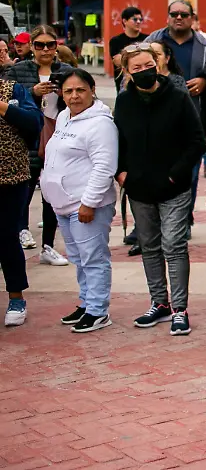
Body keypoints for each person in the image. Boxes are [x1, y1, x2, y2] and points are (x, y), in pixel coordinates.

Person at [115, 44, 206, 336]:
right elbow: (117, 140)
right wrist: (122, 173)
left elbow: (196, 141)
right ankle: (159, 303)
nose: (143, 72)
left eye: (147, 65)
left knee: (174, 245)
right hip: (139, 188)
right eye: (136, 68)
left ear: (157, 63)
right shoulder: (125, 102)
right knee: (150, 247)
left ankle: (180, 308)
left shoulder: (178, 98)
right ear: (127, 72)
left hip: (173, 188)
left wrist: (174, 174)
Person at [42, 69, 119, 332]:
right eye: (68, 91)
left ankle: (98, 311)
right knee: (78, 257)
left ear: (92, 89)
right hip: (64, 204)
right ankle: (87, 302)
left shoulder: (101, 124)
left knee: (94, 258)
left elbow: (104, 167)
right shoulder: (64, 116)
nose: (74, 96)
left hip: (87, 206)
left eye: (80, 90)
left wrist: (89, 203)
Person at [146, 0, 206, 212]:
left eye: (184, 14)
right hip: (155, 118)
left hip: (192, 118)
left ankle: (183, 217)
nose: (179, 18)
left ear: (192, 18)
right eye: (174, 14)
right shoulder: (152, 43)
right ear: (167, 17)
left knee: (188, 172)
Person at [6, 25, 71, 264]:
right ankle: (22, 230)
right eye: (40, 45)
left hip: (58, 135)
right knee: (24, 187)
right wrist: (32, 92)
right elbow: (9, 102)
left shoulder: (66, 70)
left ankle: (48, 245)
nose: (45, 49)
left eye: (50, 45)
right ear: (31, 47)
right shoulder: (17, 71)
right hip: (27, 137)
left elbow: (81, 98)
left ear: (57, 46)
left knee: (51, 193)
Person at [0, 70, 42, 327]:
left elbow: (33, 123)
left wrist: (3, 107)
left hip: (9, 177)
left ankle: (16, 297)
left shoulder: (13, 90)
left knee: (6, 237)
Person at [108, 6, 147, 88]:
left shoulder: (147, 39)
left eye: (141, 19)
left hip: (144, 81)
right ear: (125, 21)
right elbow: (118, 61)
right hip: (123, 82)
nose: (139, 22)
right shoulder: (116, 41)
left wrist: (126, 57)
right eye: (135, 19)